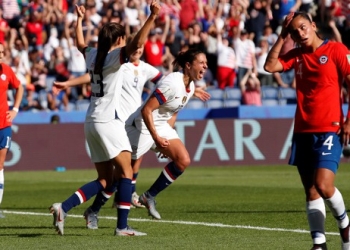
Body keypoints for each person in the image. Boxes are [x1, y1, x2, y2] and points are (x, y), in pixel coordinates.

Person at [49, 1, 161, 236]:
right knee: (127, 174)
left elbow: (80, 43)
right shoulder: (113, 58)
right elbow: (138, 43)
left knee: (105, 180)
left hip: (91, 121)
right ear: (118, 41)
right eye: (123, 38)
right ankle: (122, 227)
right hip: (109, 122)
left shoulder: (92, 55)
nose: (125, 41)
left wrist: (79, 20)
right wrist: (151, 17)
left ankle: (64, 208)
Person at [264, 11, 350, 250]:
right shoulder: (297, 55)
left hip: (330, 128)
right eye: (294, 31)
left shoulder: (337, 51)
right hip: (303, 130)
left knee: (323, 185)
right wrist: (282, 36)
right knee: (310, 190)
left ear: (313, 25)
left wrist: (349, 122)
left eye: (303, 27)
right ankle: (319, 243)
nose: (300, 34)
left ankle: (345, 225)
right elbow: (270, 65)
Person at [127, 48, 208, 220]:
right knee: (119, 176)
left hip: (160, 125)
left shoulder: (190, 85)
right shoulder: (171, 83)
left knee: (183, 160)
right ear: (188, 65)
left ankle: (149, 196)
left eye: (206, 63)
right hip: (142, 124)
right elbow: (147, 110)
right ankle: (94, 210)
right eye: (201, 62)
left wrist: (165, 142)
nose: (205, 66)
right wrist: (156, 137)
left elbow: (173, 113)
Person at [0, 42, 24, 218]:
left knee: (0, 165)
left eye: (2, 52)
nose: (1, 55)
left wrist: (15, 109)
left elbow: (20, 87)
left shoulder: (6, 70)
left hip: (3, 124)